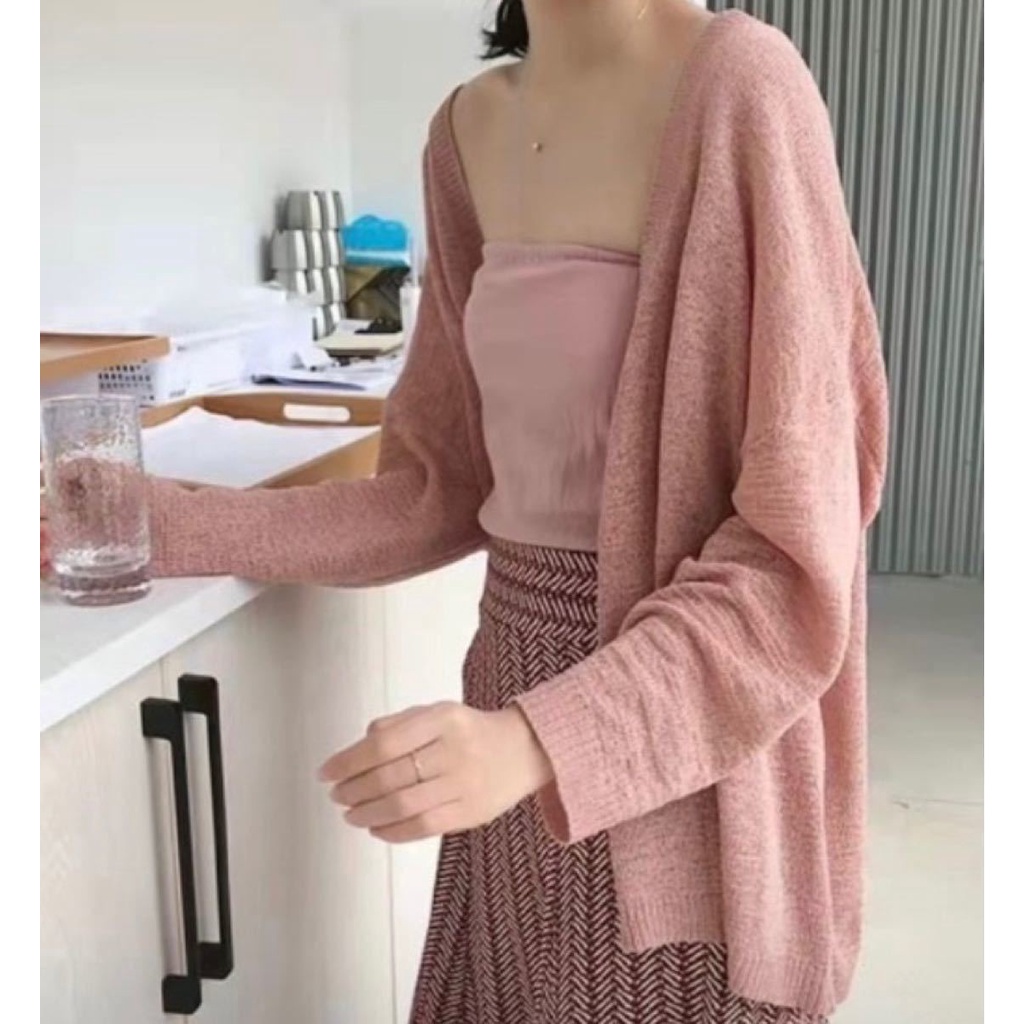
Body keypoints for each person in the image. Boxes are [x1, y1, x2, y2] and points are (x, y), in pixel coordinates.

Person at [43, 2, 888, 1021]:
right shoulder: (467, 131)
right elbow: (436, 489)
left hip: (684, 772)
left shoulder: (742, 86)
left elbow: (797, 556)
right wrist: (157, 521)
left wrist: (540, 741)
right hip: (500, 739)